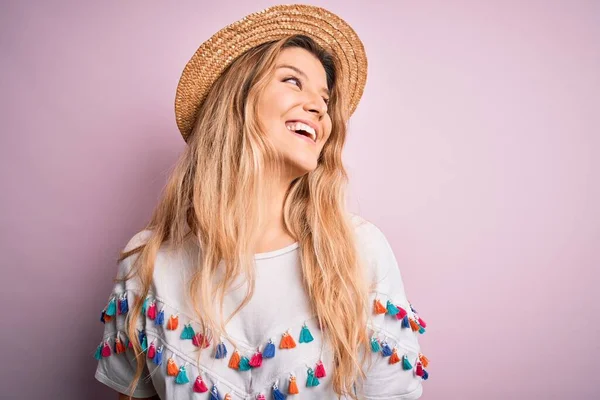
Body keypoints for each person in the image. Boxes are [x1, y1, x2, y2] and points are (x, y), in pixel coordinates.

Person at [93, 4, 429, 400]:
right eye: (292, 81)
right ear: (237, 101)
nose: (320, 107)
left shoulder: (359, 252)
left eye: (325, 98)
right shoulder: (147, 261)